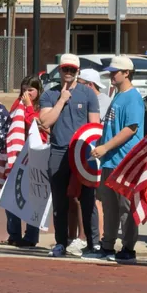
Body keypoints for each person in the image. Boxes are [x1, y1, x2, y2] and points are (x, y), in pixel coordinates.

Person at [83, 55, 145, 264]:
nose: (111, 75)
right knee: (109, 205)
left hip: (125, 160)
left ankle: (128, 248)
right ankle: (107, 245)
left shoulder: (133, 97)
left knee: (125, 206)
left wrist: (106, 146)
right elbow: (112, 127)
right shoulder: (118, 95)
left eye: (115, 72)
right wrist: (101, 145)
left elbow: (131, 128)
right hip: (110, 159)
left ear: (126, 73)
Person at [40, 54, 100, 257]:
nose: (68, 73)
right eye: (65, 69)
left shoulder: (88, 94)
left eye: (72, 70)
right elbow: (46, 122)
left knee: (87, 199)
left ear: (78, 71)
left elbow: (94, 126)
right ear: (59, 70)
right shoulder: (49, 94)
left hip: (83, 152)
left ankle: (94, 244)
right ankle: (60, 242)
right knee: (60, 200)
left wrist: (92, 153)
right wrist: (62, 101)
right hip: (58, 151)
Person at [64, 69, 112, 257]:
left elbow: (98, 131)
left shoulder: (103, 103)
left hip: (96, 158)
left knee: (94, 201)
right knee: (78, 198)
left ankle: (91, 239)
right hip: (82, 157)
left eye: (82, 82)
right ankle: (83, 238)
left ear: (90, 84)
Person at [5, 75, 45, 247]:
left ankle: (31, 235)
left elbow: (36, 125)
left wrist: (29, 106)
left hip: (34, 156)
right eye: (24, 90)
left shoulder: (42, 106)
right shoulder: (17, 104)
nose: (27, 93)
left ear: (38, 91)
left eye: (31, 90)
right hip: (17, 156)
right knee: (11, 195)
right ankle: (14, 234)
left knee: (33, 197)